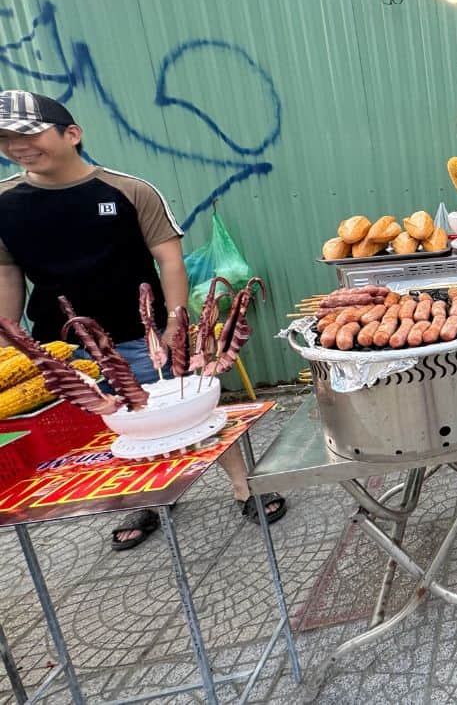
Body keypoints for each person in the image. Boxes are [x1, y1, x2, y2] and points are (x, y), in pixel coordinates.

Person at [0, 90, 286, 549]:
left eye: (28, 134)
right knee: (106, 428)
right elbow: (7, 273)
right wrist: (10, 342)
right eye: (6, 138)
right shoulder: (5, 202)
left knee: (194, 412)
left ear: (72, 134)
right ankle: (141, 502)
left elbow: (169, 260)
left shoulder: (127, 191)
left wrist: (175, 324)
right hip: (61, 344)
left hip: (140, 335)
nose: (16, 146)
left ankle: (244, 485)